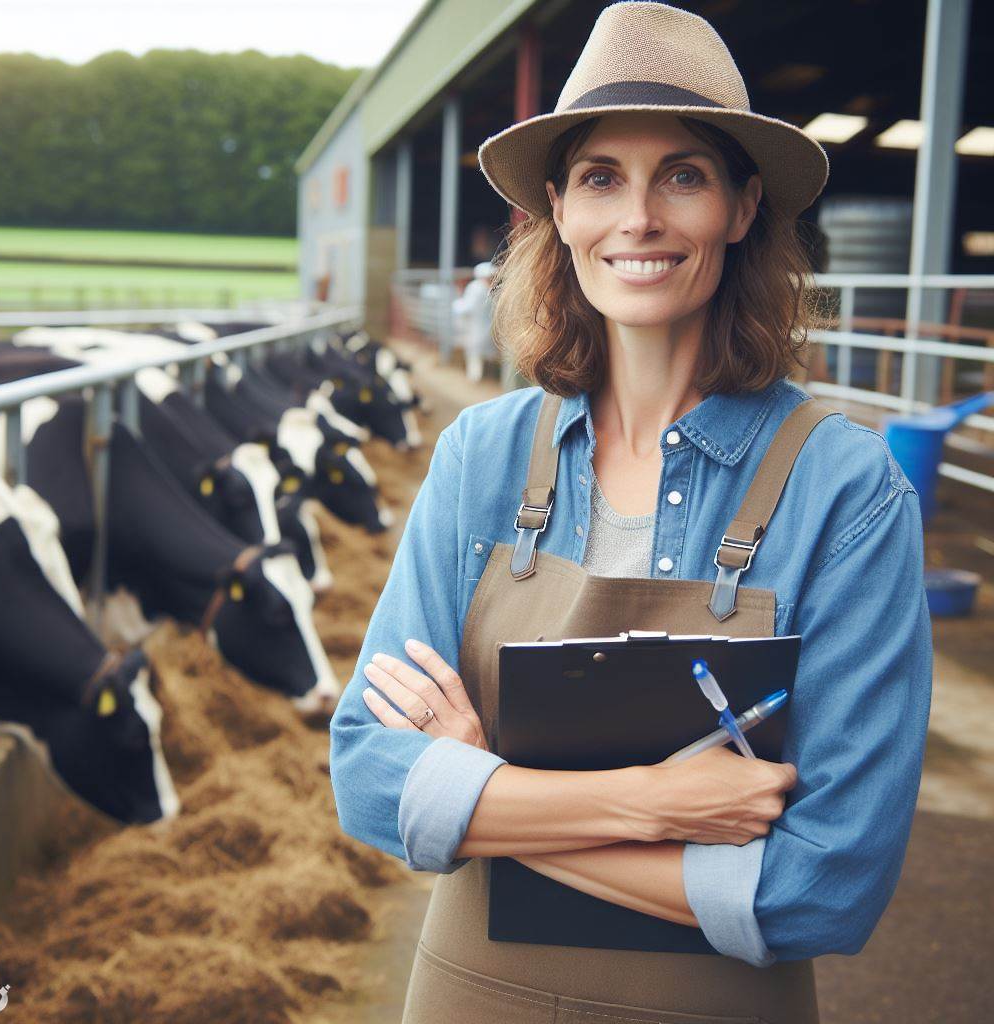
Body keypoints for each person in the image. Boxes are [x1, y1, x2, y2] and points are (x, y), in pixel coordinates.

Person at [329, 3, 932, 1022]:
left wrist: (484, 794)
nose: (638, 218)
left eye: (682, 176)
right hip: (473, 994)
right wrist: (649, 805)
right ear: (558, 211)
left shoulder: (847, 490)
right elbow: (371, 777)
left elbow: (827, 883)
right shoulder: (481, 455)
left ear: (742, 208)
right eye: (602, 177)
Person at [452, 261, 497, 382]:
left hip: (475, 326)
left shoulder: (475, 287)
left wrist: (456, 305)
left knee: (475, 353)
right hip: (485, 325)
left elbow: (467, 307)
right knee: (483, 353)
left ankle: (476, 378)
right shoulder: (491, 289)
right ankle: (485, 377)